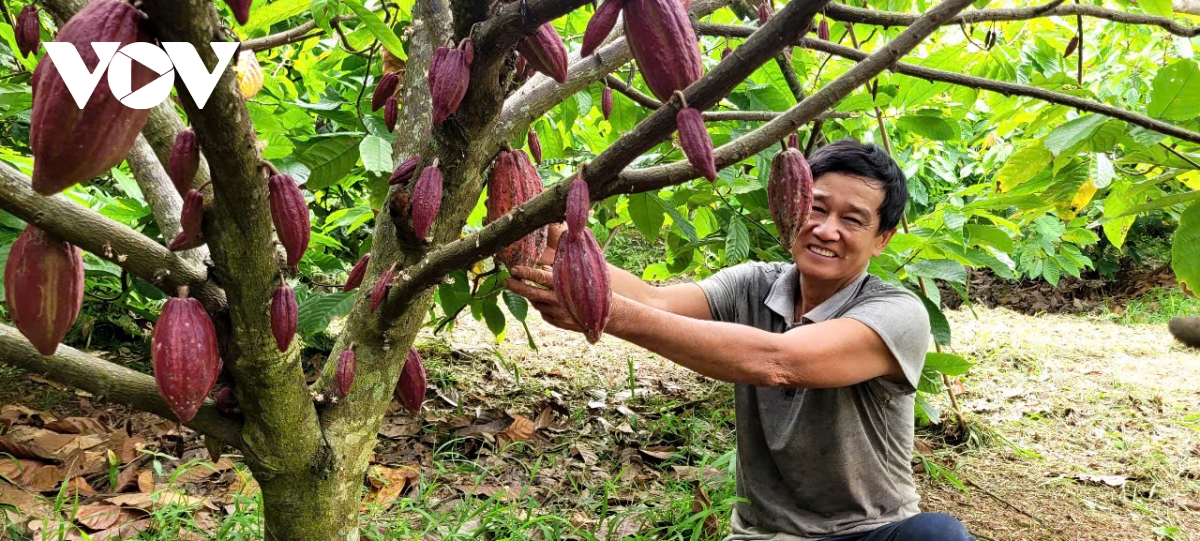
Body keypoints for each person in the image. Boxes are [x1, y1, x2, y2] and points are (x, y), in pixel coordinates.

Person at [504, 139, 975, 541]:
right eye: (816, 207)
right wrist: (561, 242)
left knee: (938, 536)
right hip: (765, 536)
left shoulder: (897, 313)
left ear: (882, 239)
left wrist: (603, 309)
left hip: (869, 533)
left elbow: (779, 362)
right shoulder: (756, 284)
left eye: (852, 220)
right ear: (793, 204)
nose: (825, 230)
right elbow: (656, 301)